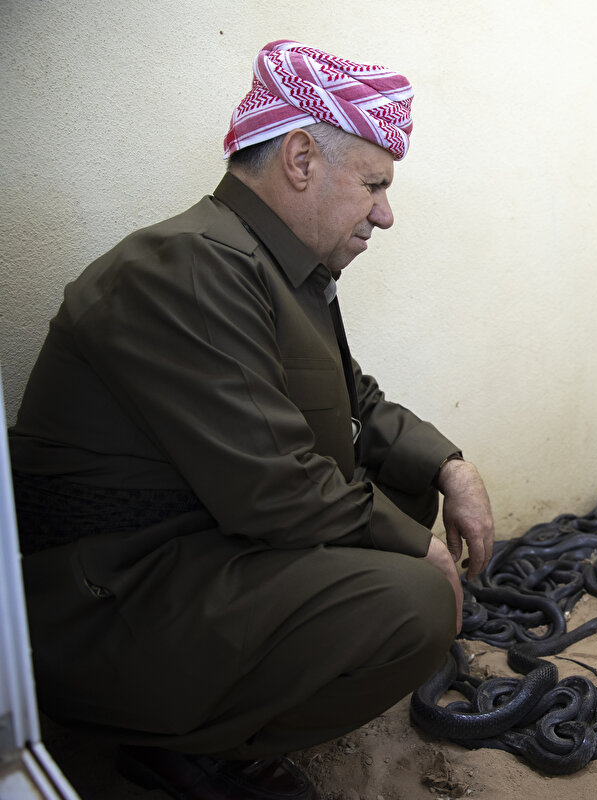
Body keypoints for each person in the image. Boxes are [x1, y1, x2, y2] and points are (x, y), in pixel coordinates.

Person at [7, 40, 494, 800]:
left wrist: (449, 467)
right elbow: (274, 490)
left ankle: (199, 719)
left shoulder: (271, 268)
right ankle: (187, 748)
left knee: (403, 486)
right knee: (415, 599)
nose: (385, 214)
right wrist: (424, 555)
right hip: (111, 599)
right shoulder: (192, 265)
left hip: (189, 558)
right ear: (301, 158)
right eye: (372, 184)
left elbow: (353, 403)